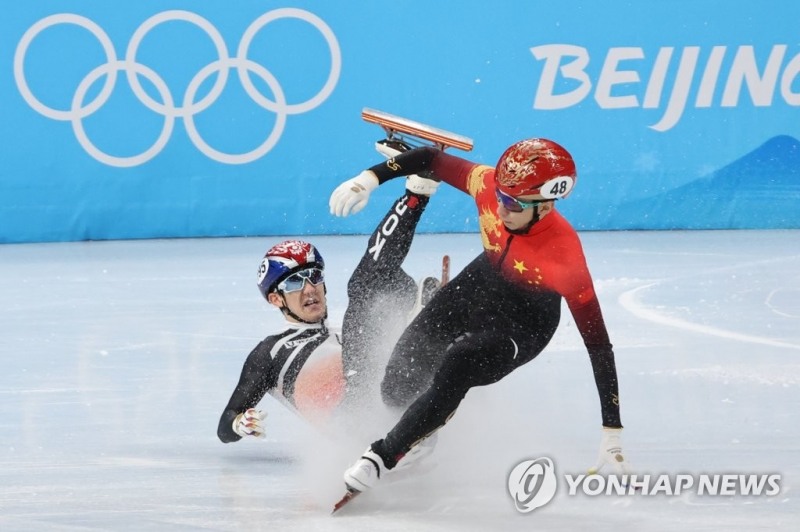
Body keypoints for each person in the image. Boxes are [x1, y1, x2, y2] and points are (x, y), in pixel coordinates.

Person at [328, 137, 630, 493]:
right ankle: (422, 435)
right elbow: (430, 157)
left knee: (459, 361)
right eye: (501, 197)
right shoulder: (488, 184)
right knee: (396, 385)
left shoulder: (565, 256)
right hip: (480, 285)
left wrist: (612, 427)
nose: (501, 210)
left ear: (546, 205)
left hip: (522, 326)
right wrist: (370, 178)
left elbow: (598, 345)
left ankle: (382, 456)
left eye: (513, 203)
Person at [217, 141, 442, 444]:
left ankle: (429, 322)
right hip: (358, 420)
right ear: (275, 299)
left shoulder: (345, 331)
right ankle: (418, 190)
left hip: (401, 395)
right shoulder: (271, 352)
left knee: (385, 293)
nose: (310, 288)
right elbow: (225, 425)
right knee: (365, 287)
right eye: (295, 283)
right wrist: (239, 424)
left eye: (314, 277)